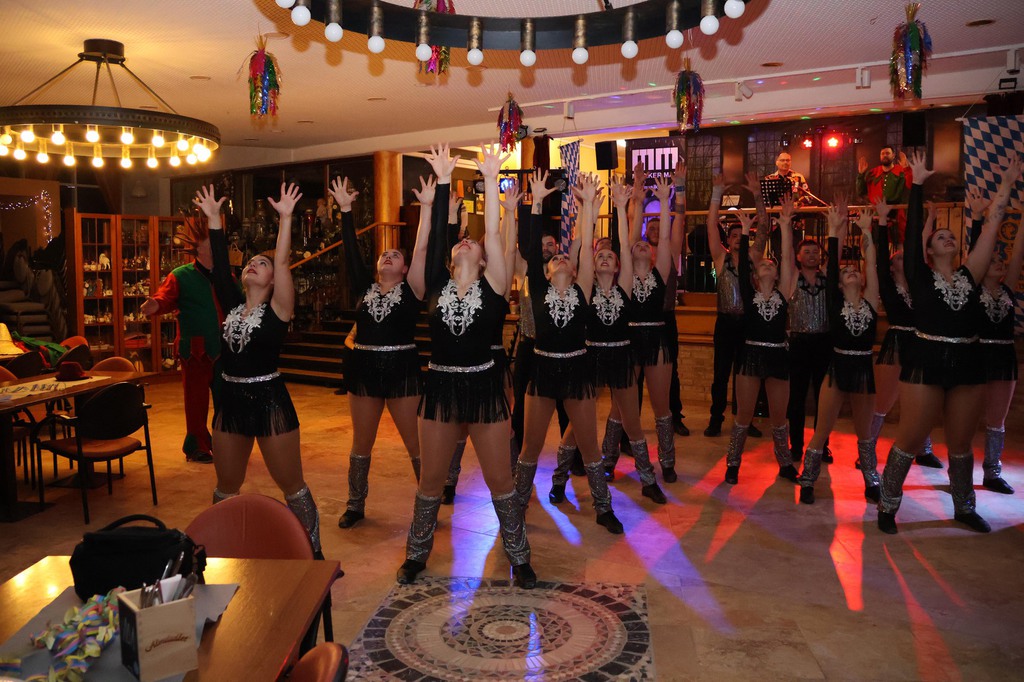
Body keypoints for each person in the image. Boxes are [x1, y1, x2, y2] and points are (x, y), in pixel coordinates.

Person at [397, 143, 534, 588]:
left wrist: (492, 179)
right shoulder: (436, 284)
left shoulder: (495, 283)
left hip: (485, 388)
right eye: (461, 240)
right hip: (440, 389)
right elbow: (431, 242)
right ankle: (416, 554)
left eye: (471, 242)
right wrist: (441, 183)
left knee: (500, 480)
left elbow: (493, 233)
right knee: (431, 480)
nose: (465, 241)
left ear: (483, 258)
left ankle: (520, 556)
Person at [877, 152, 1021, 534]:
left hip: (968, 361)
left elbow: (990, 230)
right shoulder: (919, 275)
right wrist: (917, 184)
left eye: (952, 235)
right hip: (926, 360)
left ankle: (964, 507)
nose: (948, 237)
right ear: (929, 250)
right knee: (910, 437)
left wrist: (1006, 187)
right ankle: (887, 505)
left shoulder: (970, 274)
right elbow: (911, 236)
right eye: (940, 236)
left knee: (961, 442)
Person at [194, 183, 323, 556]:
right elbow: (221, 269)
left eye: (261, 264)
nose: (254, 264)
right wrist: (214, 218)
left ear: (272, 281)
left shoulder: (279, 309)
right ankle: (220, 553)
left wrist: (286, 218)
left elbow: (281, 263)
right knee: (225, 487)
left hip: (270, 401)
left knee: (292, 486)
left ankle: (313, 554)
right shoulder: (233, 305)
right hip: (231, 400)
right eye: (251, 262)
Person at [514, 171, 625, 534]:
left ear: (575, 271)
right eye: (555, 260)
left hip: (577, 371)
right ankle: (517, 505)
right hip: (542, 370)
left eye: (566, 259)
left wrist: (589, 205)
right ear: (546, 273)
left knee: (589, 446)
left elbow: (586, 246)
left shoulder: (583, 288)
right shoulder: (537, 286)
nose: (560, 259)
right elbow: (532, 251)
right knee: (530, 446)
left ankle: (603, 508)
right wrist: (535, 202)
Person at [328, 176, 425, 528]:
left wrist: (427, 209)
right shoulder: (364, 289)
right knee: (361, 442)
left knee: (415, 443)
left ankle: (427, 504)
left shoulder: (412, 291)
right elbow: (351, 252)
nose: (388, 256)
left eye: (396, 255)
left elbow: (422, 251)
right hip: (364, 370)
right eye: (385, 253)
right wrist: (346, 210)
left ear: (405, 269)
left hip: (402, 370)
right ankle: (355, 504)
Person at [797, 201, 880, 503]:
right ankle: (808, 480)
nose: (851, 272)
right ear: (841, 285)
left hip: (864, 369)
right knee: (822, 429)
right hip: (837, 367)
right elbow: (831, 269)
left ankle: (871, 481)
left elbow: (872, 266)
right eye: (846, 272)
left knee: (865, 433)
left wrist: (867, 231)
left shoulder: (871, 300)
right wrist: (833, 230)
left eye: (854, 270)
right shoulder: (835, 302)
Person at [141, 218, 227, 464]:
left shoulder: (225, 275)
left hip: (224, 349)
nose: (216, 246)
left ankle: (224, 443)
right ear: (199, 247)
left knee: (226, 401)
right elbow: (164, 298)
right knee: (196, 402)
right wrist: (155, 305)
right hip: (195, 351)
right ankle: (196, 445)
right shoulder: (180, 275)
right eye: (211, 242)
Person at [868, 200, 943, 470]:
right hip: (897, 342)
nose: (904, 258)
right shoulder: (887, 286)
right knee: (882, 402)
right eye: (898, 258)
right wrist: (882, 223)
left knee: (922, 401)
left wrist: (930, 218)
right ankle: (867, 450)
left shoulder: (920, 285)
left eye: (904, 256)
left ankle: (924, 449)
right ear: (891, 267)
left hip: (920, 342)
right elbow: (879, 260)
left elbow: (919, 250)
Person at [623, 168, 686, 481]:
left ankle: (668, 460)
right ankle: (612, 457)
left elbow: (669, 233)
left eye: (659, 230)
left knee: (663, 400)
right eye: (652, 227)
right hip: (629, 335)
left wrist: (668, 198)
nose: (654, 234)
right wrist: (636, 192)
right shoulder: (628, 265)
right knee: (622, 404)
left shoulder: (662, 262)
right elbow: (632, 233)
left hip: (660, 328)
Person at [705, 174, 768, 438]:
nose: (736, 239)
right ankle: (716, 419)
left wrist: (757, 194)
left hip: (747, 323)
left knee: (746, 375)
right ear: (728, 240)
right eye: (732, 235)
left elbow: (764, 227)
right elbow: (710, 225)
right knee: (720, 374)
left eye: (740, 234)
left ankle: (745, 419)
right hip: (725, 323)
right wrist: (716, 193)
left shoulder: (753, 258)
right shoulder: (721, 259)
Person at [975, 196, 1023, 495]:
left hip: (1004, 355)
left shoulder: (1007, 288)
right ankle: (958, 468)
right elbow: (976, 249)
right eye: (991, 260)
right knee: (966, 416)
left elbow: (1017, 253)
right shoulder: (973, 288)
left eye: (999, 261)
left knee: (997, 419)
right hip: (978, 355)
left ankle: (992, 472)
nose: (999, 263)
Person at [786, 232, 831, 464]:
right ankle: (796, 446)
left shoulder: (827, 277)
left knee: (825, 398)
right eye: (807, 252)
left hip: (824, 342)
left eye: (815, 252)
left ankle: (822, 445)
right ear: (798, 256)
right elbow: (785, 257)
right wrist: (786, 227)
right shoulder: (794, 277)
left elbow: (837, 251)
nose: (812, 255)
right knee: (797, 398)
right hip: (799, 343)